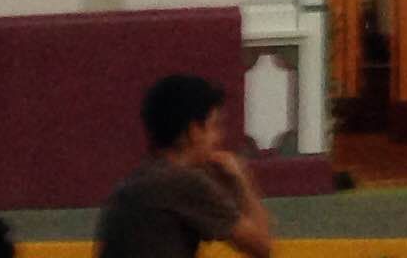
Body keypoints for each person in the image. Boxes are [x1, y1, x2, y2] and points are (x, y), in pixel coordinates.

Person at [94, 74, 273, 258]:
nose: (219, 138)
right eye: (214, 126)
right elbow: (261, 246)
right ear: (194, 131)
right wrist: (241, 181)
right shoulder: (185, 183)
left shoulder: (133, 184)